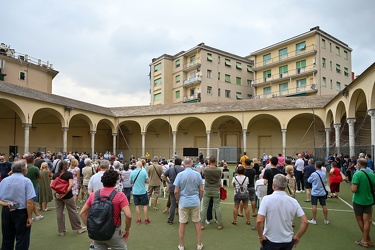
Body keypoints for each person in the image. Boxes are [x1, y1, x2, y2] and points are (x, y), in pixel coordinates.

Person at [80, 169, 132, 250]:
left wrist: (91, 227)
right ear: (116, 182)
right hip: (114, 231)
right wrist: (127, 230)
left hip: (97, 231)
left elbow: (82, 213)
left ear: (102, 181)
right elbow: (128, 215)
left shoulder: (94, 195)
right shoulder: (120, 195)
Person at [256, 174, 309, 250]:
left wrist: (260, 237)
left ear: (273, 185)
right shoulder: (293, 201)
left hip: (270, 241)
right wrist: (297, 237)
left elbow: (259, 220)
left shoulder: (266, 199)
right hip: (287, 241)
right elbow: (305, 221)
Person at [0, 160, 35, 250]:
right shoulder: (26, 181)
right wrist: (30, 217)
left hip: (6, 210)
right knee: (22, 239)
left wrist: (7, 203)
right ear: (24, 170)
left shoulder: (4, 180)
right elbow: (30, 201)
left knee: (7, 239)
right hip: (21, 212)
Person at [174, 157, 204, 250]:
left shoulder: (180, 175)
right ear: (192, 164)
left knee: (182, 223)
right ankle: (199, 244)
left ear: (183, 164)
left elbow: (176, 191)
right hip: (195, 201)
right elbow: (201, 189)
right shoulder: (197, 174)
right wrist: (199, 198)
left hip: (183, 201)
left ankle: (181, 245)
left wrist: (178, 200)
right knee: (197, 222)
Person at [52, 160, 87, 236]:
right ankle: (78, 228)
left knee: (59, 212)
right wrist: (64, 193)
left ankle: (61, 231)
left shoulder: (55, 175)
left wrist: (56, 194)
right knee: (73, 211)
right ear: (66, 166)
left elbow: (51, 185)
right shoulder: (68, 174)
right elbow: (71, 184)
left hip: (58, 196)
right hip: (68, 196)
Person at [351, 158, 375, 248]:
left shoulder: (357, 174)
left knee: (360, 220)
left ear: (359, 165)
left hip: (358, 200)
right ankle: (367, 240)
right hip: (369, 200)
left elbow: (354, 189)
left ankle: (365, 240)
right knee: (367, 221)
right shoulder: (372, 174)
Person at [200, 155, 223, 230]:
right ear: (215, 161)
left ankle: (202, 224)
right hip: (216, 189)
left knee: (204, 207)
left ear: (209, 161)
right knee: (217, 207)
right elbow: (220, 177)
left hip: (207, 189)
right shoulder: (219, 170)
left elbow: (203, 176)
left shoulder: (206, 169)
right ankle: (219, 224)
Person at [162, 157, 184, 224]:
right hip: (181, 187)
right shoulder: (183, 169)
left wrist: (168, 182)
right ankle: (183, 219)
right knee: (182, 203)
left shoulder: (170, 169)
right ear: (180, 163)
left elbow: (163, 176)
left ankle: (170, 219)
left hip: (172, 187)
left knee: (172, 204)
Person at [24, 154, 44, 221]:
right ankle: (33, 215)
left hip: (24, 186)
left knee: (29, 201)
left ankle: (37, 215)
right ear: (33, 161)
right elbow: (40, 177)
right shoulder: (35, 168)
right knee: (32, 202)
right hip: (34, 186)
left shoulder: (23, 168)